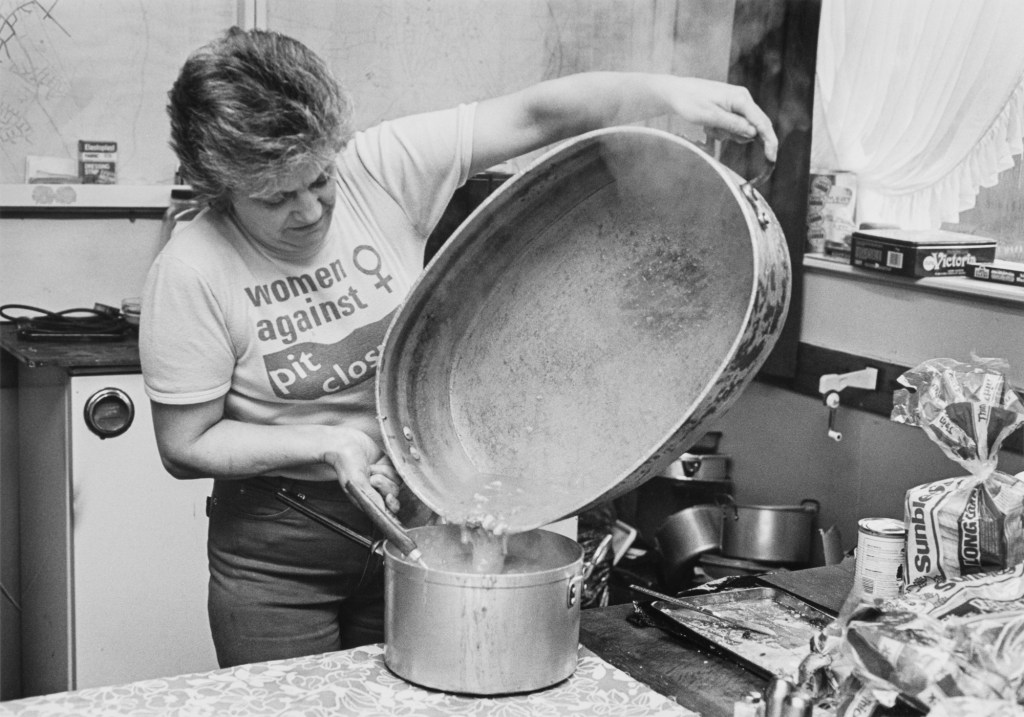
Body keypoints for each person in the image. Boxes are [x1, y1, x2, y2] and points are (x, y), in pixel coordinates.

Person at [140, 25, 778, 669]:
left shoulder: (380, 169)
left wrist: (668, 91)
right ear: (220, 185)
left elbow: (535, 114)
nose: (309, 210)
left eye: (319, 178)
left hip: (418, 529)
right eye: (276, 196)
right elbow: (185, 444)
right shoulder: (193, 271)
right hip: (279, 561)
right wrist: (329, 444)